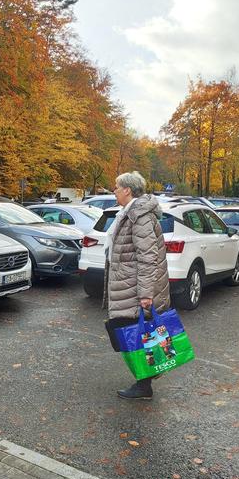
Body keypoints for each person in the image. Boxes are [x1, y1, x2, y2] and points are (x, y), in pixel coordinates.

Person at [103, 171, 171, 400]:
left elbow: (147, 256)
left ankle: (146, 382)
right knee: (129, 333)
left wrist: (145, 294)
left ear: (127, 190)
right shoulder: (130, 213)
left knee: (133, 334)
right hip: (126, 285)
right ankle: (148, 377)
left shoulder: (139, 216)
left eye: (116, 187)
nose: (114, 191)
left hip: (134, 288)